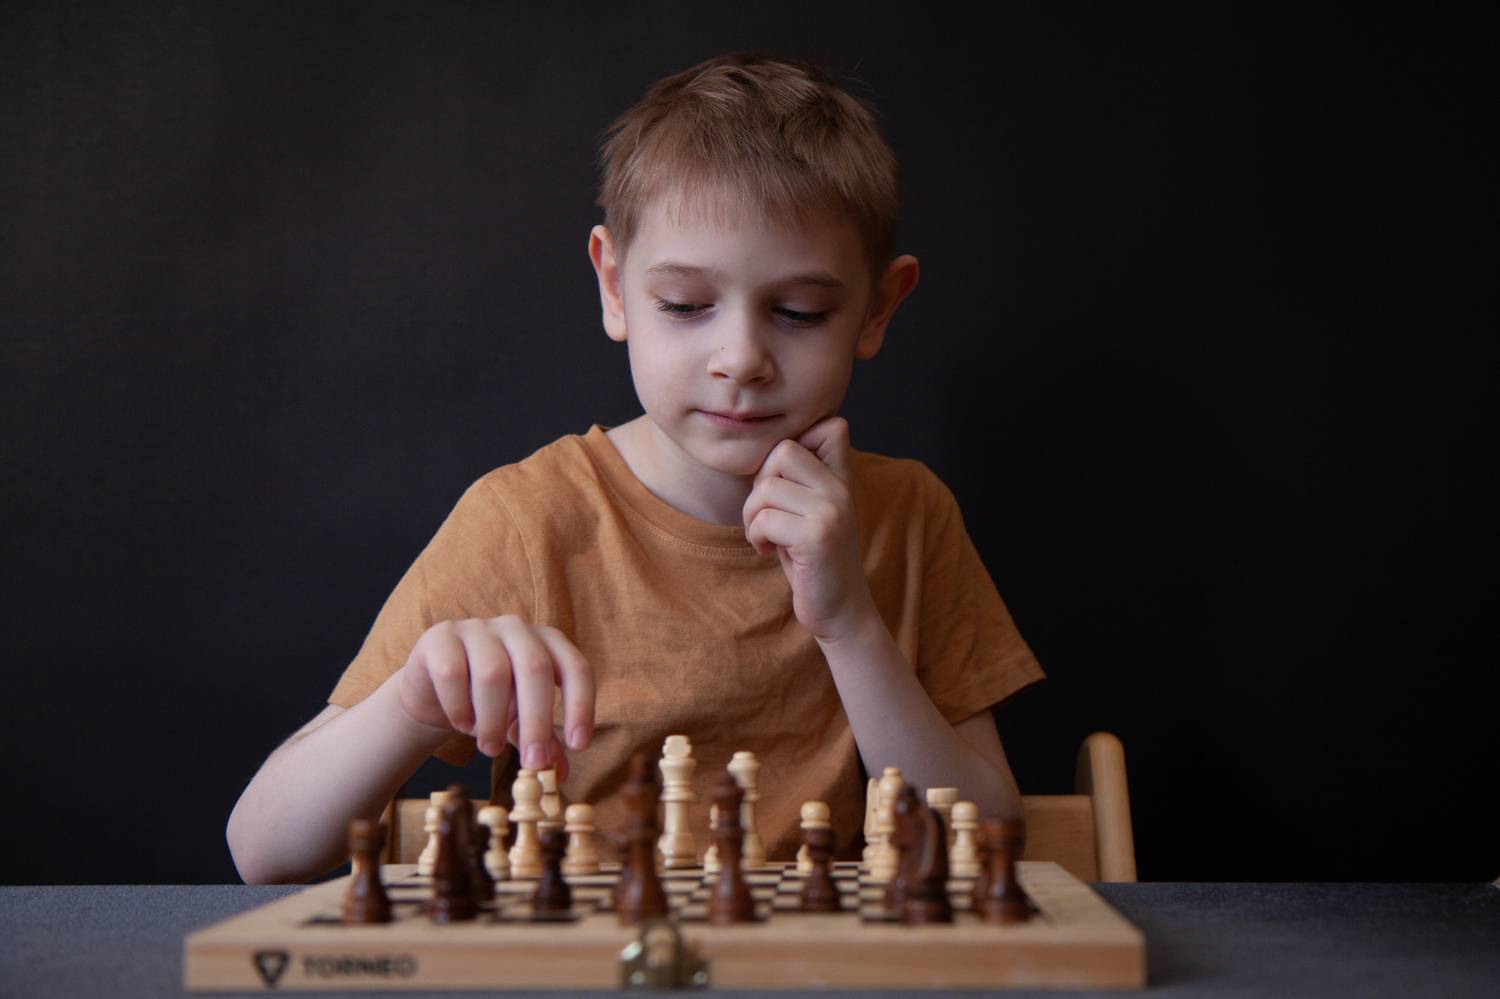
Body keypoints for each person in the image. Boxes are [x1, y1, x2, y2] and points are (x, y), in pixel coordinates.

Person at [227, 52, 1043, 885]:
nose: (741, 358)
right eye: (686, 305)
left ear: (877, 308)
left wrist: (848, 624)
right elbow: (263, 847)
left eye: (800, 312)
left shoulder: (909, 515)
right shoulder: (526, 520)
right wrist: (410, 704)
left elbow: (990, 835)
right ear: (614, 286)